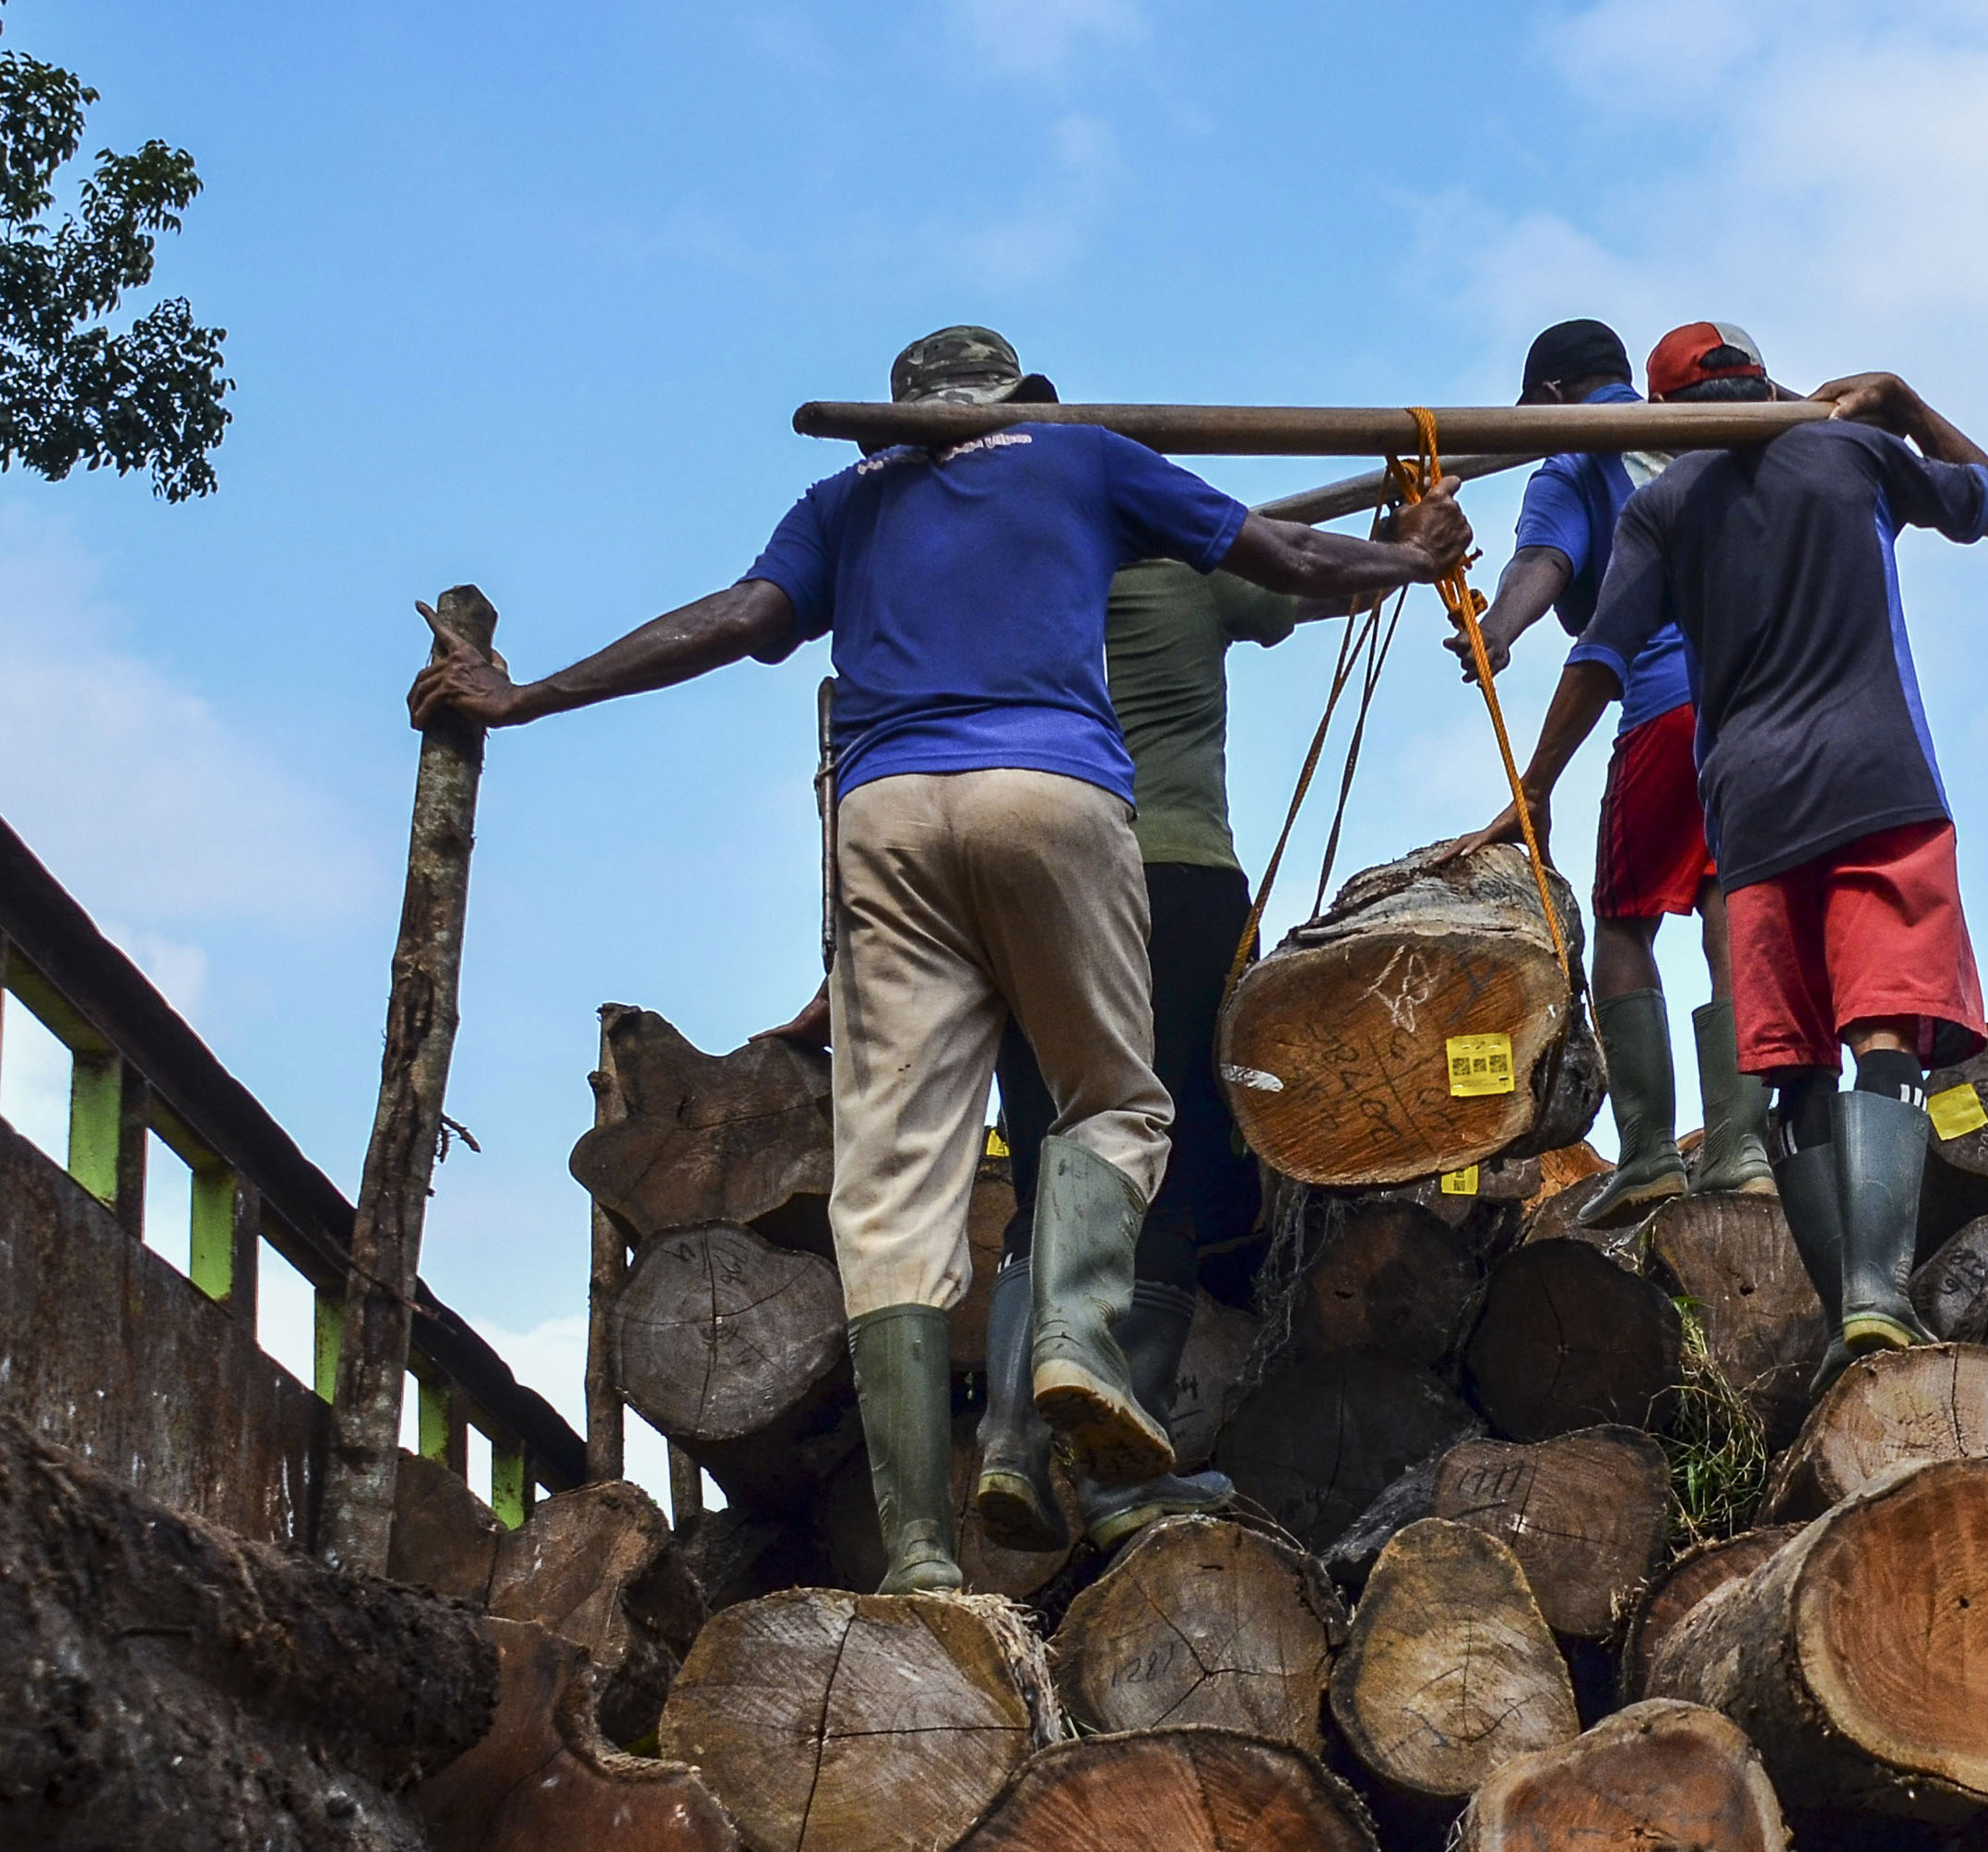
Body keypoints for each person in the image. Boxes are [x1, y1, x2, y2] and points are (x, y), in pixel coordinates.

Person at [408, 324, 1467, 1591]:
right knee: (1115, 1099)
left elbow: (737, 619)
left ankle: (917, 1554)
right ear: (1013, 399)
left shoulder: (843, 501)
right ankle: (1076, 1341)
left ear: (898, 419)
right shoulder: (1085, 458)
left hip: (887, 812)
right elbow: (1290, 557)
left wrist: (529, 699)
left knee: (893, 1185)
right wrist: (1408, 555)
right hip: (1053, 795)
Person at [1558, 321, 1988, 1374]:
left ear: (1666, 419)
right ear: (1762, 380)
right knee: (1884, 1033)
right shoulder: (1855, 453)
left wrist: (1532, 785)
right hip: (1880, 790)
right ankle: (1876, 1295)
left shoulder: (1666, 501)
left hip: (1756, 816)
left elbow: (1601, 651)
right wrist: (1902, 400)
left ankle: (1842, 1326)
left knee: (1795, 1062)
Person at [971, 537, 1367, 1551]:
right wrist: (1409, 547)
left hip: (1025, 883)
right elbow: (1321, 579)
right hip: (1169, 877)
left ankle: (1010, 1442)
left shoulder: (998, 578)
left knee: (1046, 1156)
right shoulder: (1189, 560)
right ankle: (1116, 1476)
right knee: (1169, 1159)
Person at [1464, 319, 1774, 1224]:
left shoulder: (1574, 454)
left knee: (1624, 919)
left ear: (1555, 397)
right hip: (1757, 705)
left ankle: (1645, 1157)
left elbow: (1542, 560)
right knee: (1725, 903)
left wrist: (1498, 632)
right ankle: (1742, 1146)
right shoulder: (1692, 437)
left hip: (1664, 705)